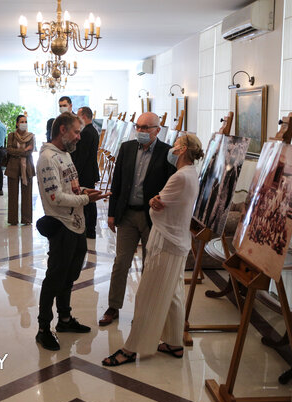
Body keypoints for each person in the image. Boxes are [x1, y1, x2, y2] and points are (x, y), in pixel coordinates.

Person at [102, 133, 204, 366]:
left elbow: (156, 210)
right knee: (174, 293)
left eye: (177, 144)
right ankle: (174, 342)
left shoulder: (180, 177)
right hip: (178, 241)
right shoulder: (190, 174)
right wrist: (156, 202)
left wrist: (151, 204)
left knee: (147, 296)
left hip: (166, 243)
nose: (173, 147)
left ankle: (131, 348)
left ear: (183, 150)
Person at [35, 112, 110, 351]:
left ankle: (65, 319)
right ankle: (43, 328)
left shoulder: (65, 154)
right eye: (76, 132)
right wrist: (86, 199)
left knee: (70, 275)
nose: (80, 136)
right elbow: (55, 197)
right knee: (55, 277)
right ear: (62, 130)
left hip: (76, 225)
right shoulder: (48, 158)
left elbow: (71, 187)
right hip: (61, 226)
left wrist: (88, 191)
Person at [98, 112, 176, 326]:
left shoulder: (167, 152)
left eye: (146, 128)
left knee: (150, 265)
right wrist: (112, 213)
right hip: (127, 215)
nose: (140, 131)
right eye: (138, 126)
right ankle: (113, 307)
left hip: (152, 218)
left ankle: (144, 310)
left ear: (157, 130)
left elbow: (171, 184)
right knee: (121, 262)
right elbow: (118, 182)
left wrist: (162, 200)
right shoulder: (127, 148)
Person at [72, 106, 100, 238]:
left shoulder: (87, 133)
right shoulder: (91, 130)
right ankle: (89, 228)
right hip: (89, 171)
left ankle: (90, 229)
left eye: (78, 116)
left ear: (83, 116)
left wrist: (75, 174)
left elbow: (82, 156)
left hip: (86, 172)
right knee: (89, 200)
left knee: (88, 200)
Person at [5, 115, 35, 225]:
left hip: (27, 167)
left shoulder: (31, 136)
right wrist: (24, 149)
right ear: (17, 123)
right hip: (13, 167)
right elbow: (9, 150)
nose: (24, 123)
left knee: (27, 194)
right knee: (12, 194)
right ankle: (13, 219)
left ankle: (26, 219)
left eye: (26, 121)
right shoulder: (11, 135)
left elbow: (30, 152)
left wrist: (18, 151)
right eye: (22, 121)